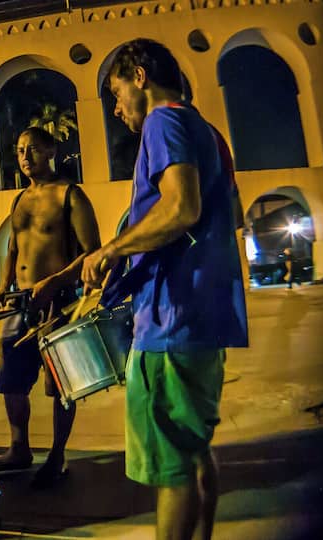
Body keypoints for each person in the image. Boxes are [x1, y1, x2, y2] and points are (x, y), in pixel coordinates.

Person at [82, 38, 248, 540]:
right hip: (206, 312)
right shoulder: (207, 130)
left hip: (171, 315)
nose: (115, 109)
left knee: (172, 470)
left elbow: (181, 208)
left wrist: (111, 251)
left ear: (139, 76)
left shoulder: (164, 120)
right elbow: (229, 215)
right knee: (194, 451)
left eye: (115, 93)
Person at [0, 127, 101, 487]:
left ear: (51, 151)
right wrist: (3, 286)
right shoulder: (19, 199)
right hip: (21, 304)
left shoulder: (70, 196)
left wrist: (55, 282)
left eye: (32, 149)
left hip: (59, 303)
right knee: (11, 380)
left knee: (61, 384)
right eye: (19, 150)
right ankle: (19, 448)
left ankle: (57, 455)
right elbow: (14, 248)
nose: (25, 157)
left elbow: (91, 253)